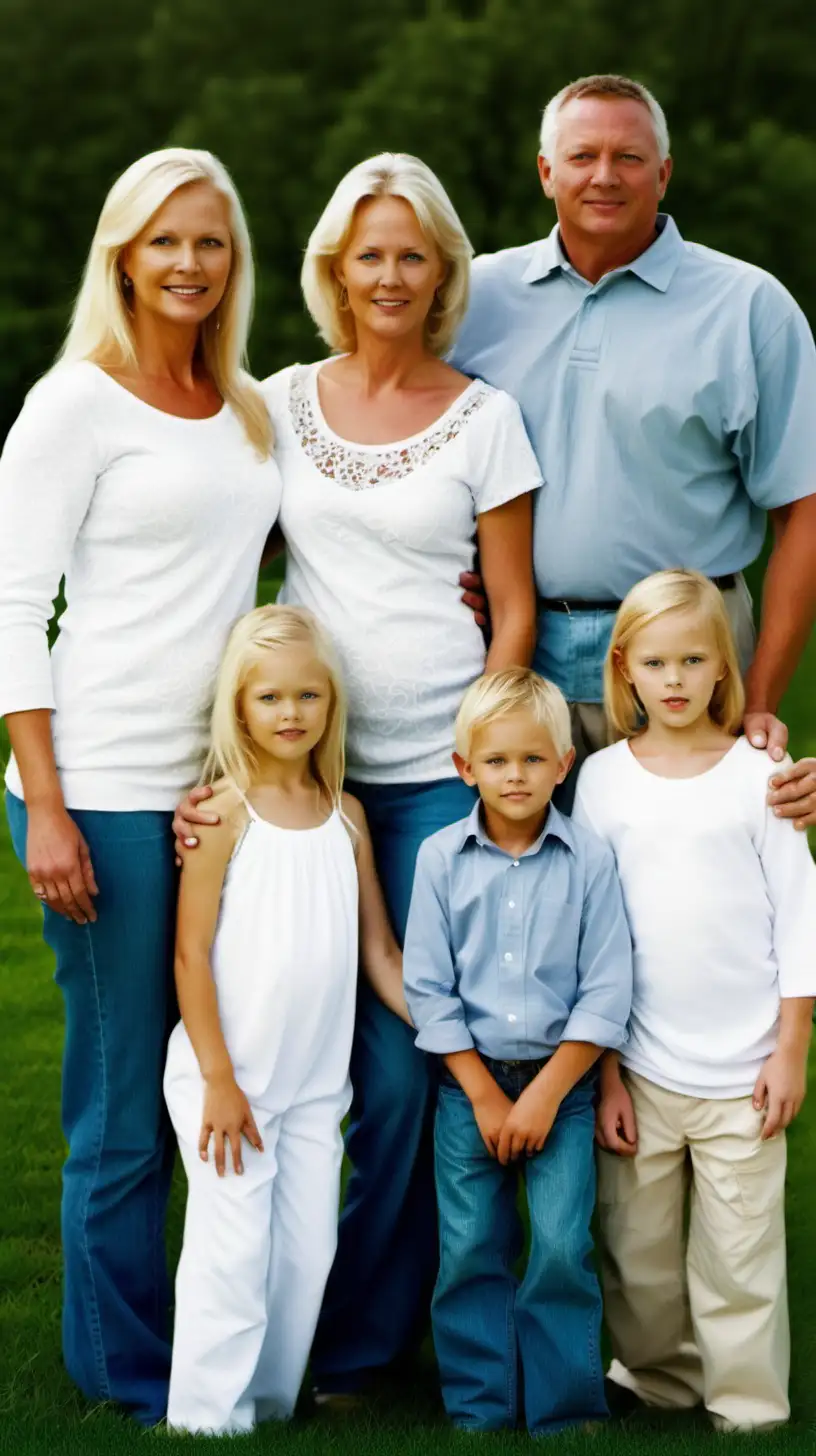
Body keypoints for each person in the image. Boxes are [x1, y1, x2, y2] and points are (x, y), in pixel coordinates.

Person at [174, 152, 542, 1397]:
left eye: (413, 254)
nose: (389, 274)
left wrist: (483, 744)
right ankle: (258, 1310)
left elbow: (513, 604)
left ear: (443, 273)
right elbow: (231, 573)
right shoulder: (278, 402)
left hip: (441, 785)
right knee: (276, 1052)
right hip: (302, 790)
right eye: (367, 253)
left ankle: (365, 1348)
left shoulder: (486, 416)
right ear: (334, 269)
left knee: (399, 1074)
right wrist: (217, 760)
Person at [0, 149, 281, 1425]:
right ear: (122, 254)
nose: (187, 262)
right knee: (123, 1101)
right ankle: (122, 1369)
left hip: (215, 791)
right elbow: (11, 605)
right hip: (100, 783)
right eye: (163, 240)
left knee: (212, 1072)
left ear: (235, 262)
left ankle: (210, 1333)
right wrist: (45, 800)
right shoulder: (76, 404)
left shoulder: (245, 405)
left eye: (210, 242)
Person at [453, 72, 816, 824]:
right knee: (526, 881)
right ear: (546, 171)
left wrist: (761, 697)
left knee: (682, 890)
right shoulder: (474, 298)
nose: (605, 175)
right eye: (583, 156)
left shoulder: (749, 307)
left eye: (629, 156)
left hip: (688, 653)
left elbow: (805, 509)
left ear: (665, 172)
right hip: (521, 649)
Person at [573, 569, 816, 1432]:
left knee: (740, 1248)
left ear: (725, 669)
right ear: (624, 669)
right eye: (655, 662)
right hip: (639, 1064)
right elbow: (594, 936)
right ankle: (657, 1376)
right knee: (635, 1249)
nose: (673, 680)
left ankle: (747, 1403)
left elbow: (799, 914)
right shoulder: (602, 781)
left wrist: (792, 1047)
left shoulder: (761, 773)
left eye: (692, 660)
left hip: (746, 1069)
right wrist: (603, 1075)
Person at [164, 605, 409, 1434]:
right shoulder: (222, 814)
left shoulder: (346, 817)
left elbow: (380, 954)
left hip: (312, 1086)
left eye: (308, 695)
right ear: (239, 706)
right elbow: (191, 957)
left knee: (305, 1257)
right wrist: (220, 1081)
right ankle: (204, 1420)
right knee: (230, 1256)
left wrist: (449, 1028)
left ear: (332, 704)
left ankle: (264, 1410)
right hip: (227, 1079)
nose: (291, 713)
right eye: (270, 697)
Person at [403, 667, 633, 1435]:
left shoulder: (589, 859)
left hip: (561, 1092)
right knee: (469, 1245)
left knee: (564, 1245)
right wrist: (484, 1093)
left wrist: (543, 1094)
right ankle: (481, 1405)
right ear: (464, 765)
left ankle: (566, 1410)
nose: (515, 775)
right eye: (496, 760)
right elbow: (428, 991)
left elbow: (606, 992)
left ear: (563, 765)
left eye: (534, 760)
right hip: (468, 1091)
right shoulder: (439, 858)